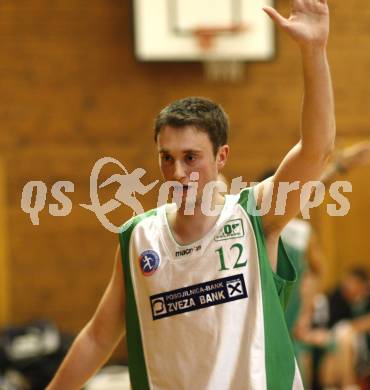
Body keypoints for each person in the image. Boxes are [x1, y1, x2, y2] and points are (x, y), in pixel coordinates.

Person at [47, 0, 335, 388]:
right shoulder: (138, 237)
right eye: (167, 157)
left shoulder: (255, 214)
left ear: (221, 157)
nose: (177, 172)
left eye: (190, 157)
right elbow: (99, 337)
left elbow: (317, 149)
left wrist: (313, 52)